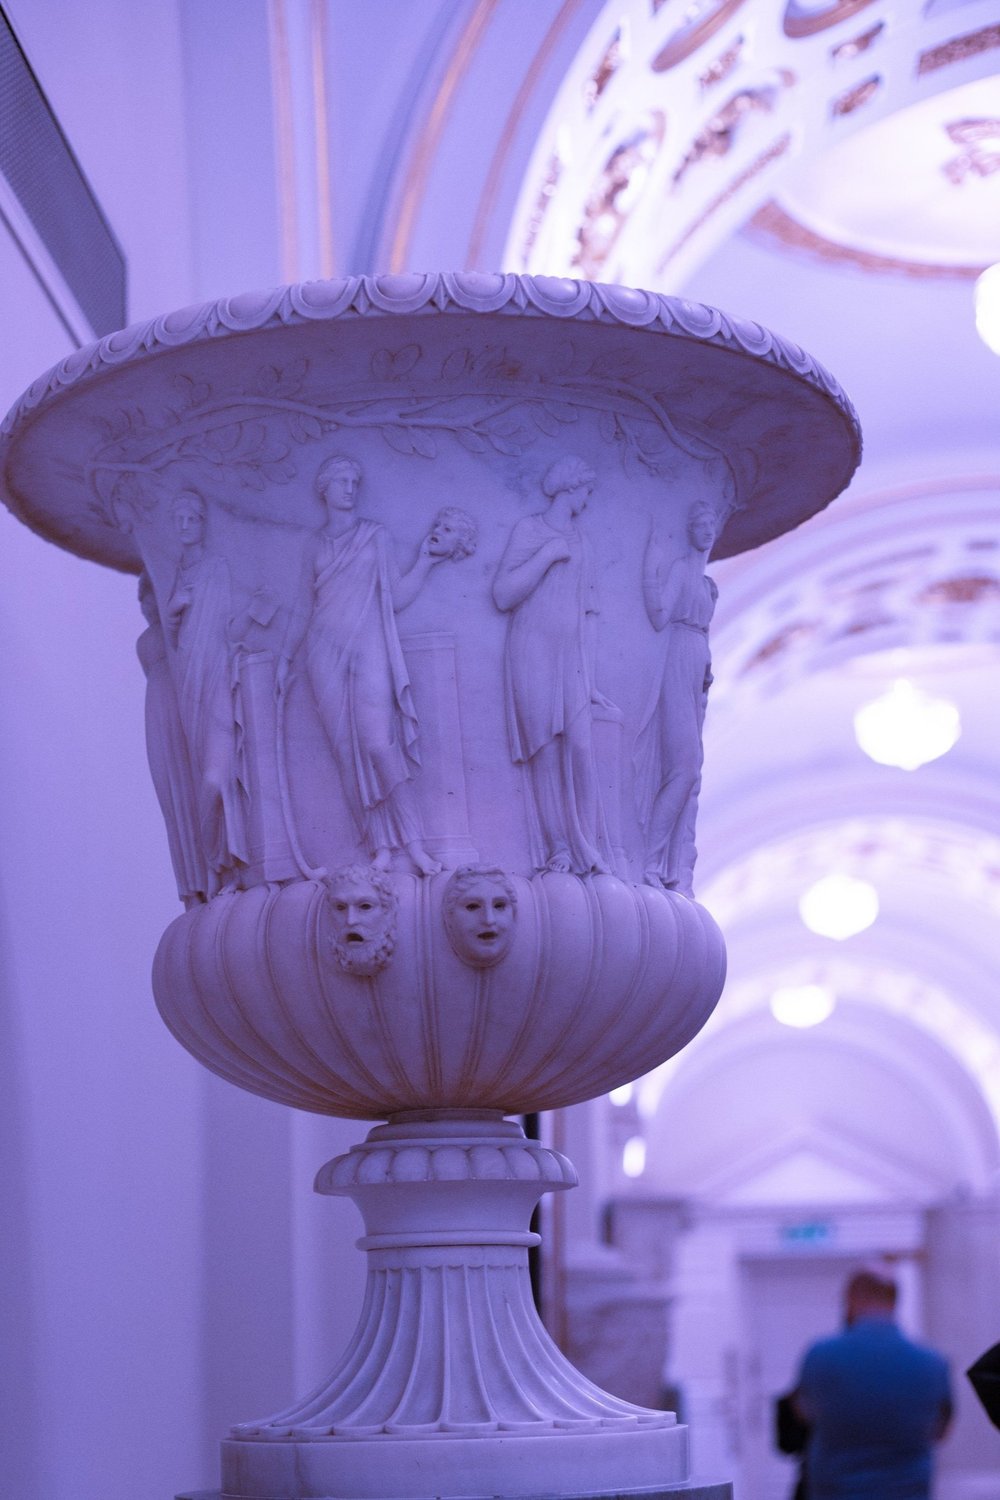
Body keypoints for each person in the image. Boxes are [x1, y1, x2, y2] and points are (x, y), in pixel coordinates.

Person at [289, 456, 472, 875]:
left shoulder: (375, 536)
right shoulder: (314, 545)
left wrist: (425, 560)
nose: (350, 488)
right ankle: (379, 846)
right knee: (346, 753)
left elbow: (397, 597)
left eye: (354, 481)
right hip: (323, 649)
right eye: (341, 481)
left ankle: (415, 843)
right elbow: (302, 607)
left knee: (378, 744)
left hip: (368, 643)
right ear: (324, 489)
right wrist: (284, 661)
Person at [492, 455, 615, 875]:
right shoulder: (531, 531)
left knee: (581, 750)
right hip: (531, 650)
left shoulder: (584, 542)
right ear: (570, 487)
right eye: (586, 491)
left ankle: (588, 844)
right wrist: (546, 555)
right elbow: (503, 594)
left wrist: (591, 676)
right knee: (544, 752)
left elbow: (591, 612)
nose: (587, 499)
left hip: (571, 658)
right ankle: (558, 848)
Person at [792, 1267, 952, 1500]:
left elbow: (804, 1412)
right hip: (908, 1491)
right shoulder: (933, 1362)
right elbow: (941, 1429)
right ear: (894, 1301)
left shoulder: (819, 1355)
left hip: (837, 1490)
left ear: (851, 1299)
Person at [633, 499, 718, 895]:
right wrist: (649, 565)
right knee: (681, 768)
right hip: (676, 663)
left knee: (692, 771)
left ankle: (671, 865)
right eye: (699, 525)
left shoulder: (707, 585)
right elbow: (659, 614)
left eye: (710, 526)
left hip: (694, 669)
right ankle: (647, 860)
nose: (705, 531)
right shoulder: (683, 571)